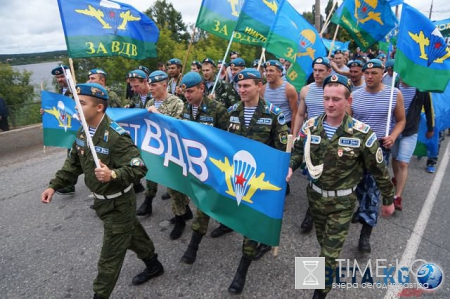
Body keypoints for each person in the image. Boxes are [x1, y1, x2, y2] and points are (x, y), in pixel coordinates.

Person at [41, 83, 164, 299]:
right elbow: (73, 164)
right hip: (102, 202)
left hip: (118, 204)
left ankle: (100, 295)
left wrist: (113, 175)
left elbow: (139, 167)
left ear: (99, 108)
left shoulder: (116, 136)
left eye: (82, 103)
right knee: (134, 235)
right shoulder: (83, 132)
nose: (76, 108)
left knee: (109, 259)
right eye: (76, 103)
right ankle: (154, 265)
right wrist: (54, 185)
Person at [288, 74, 395, 299]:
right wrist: (289, 168)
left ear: (349, 102)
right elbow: (298, 152)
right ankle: (321, 280)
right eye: (327, 98)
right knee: (322, 244)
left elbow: (379, 171)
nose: (330, 104)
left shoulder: (362, 133)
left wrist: (388, 200)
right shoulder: (311, 127)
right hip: (315, 199)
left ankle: (319, 293)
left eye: (336, 99)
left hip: (343, 203)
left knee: (328, 254)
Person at [225, 68, 289, 294]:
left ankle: (242, 269)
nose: (242, 90)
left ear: (259, 86)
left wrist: (285, 170)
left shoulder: (273, 114)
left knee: (251, 224)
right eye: (239, 86)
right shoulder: (232, 111)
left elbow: (283, 148)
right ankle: (259, 240)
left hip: (260, 179)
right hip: (237, 175)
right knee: (242, 216)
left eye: (247, 86)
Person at [348, 59, 405, 253]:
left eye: (374, 73)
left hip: (380, 147)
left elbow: (401, 120)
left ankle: (365, 234)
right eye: (367, 73)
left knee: (373, 191)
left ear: (383, 74)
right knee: (356, 185)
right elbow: (347, 122)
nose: (370, 76)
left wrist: (394, 136)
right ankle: (361, 207)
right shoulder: (355, 95)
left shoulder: (393, 95)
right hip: (357, 147)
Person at [177, 72, 229, 265]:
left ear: (201, 88)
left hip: (213, 166)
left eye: (190, 91)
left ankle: (193, 246)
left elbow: (226, 141)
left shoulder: (218, 110)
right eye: (185, 92)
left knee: (204, 203)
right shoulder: (186, 109)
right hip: (194, 164)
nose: (187, 95)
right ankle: (226, 222)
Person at [138, 70, 193, 240]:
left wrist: (158, 114)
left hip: (173, 152)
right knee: (168, 184)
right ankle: (185, 211)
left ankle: (180, 219)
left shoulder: (177, 102)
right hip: (155, 151)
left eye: (154, 85)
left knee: (174, 187)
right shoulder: (149, 101)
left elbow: (178, 127)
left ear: (164, 85)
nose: (151, 88)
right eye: (150, 84)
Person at [291, 57, 332, 234]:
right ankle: (317, 206)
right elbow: (300, 114)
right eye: (315, 70)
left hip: (330, 139)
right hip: (310, 140)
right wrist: (295, 135)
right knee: (312, 176)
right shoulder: (306, 90)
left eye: (321, 70)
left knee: (323, 176)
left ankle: (311, 214)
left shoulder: (335, 90)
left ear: (329, 71)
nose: (317, 73)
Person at [391, 79, 434, 210]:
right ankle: (396, 177)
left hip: (410, 131)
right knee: (394, 158)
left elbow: (428, 108)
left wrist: (430, 127)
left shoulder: (421, 89)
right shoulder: (395, 84)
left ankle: (397, 197)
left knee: (403, 163)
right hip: (394, 131)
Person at [42, 65, 76, 195]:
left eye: (62, 76)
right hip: (70, 132)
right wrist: (46, 111)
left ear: (69, 75)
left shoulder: (77, 90)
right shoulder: (61, 91)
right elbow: (59, 110)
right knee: (72, 159)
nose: (59, 79)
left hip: (82, 130)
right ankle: (69, 185)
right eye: (57, 77)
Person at [261, 60, 298, 129]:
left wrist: (292, 133)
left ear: (280, 73)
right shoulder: (262, 90)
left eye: (271, 71)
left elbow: (295, 112)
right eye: (266, 71)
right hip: (268, 127)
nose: (268, 73)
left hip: (285, 126)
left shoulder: (289, 89)